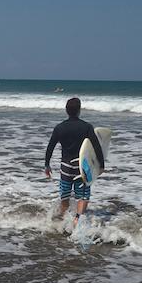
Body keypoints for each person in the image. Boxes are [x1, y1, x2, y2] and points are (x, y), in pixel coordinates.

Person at [44, 97, 104, 228]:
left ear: (66, 111)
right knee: (82, 195)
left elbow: (50, 147)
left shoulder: (59, 128)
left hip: (65, 167)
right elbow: (96, 147)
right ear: (79, 110)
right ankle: (77, 219)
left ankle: (61, 221)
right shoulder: (87, 127)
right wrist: (101, 165)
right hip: (81, 167)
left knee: (64, 196)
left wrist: (47, 165)